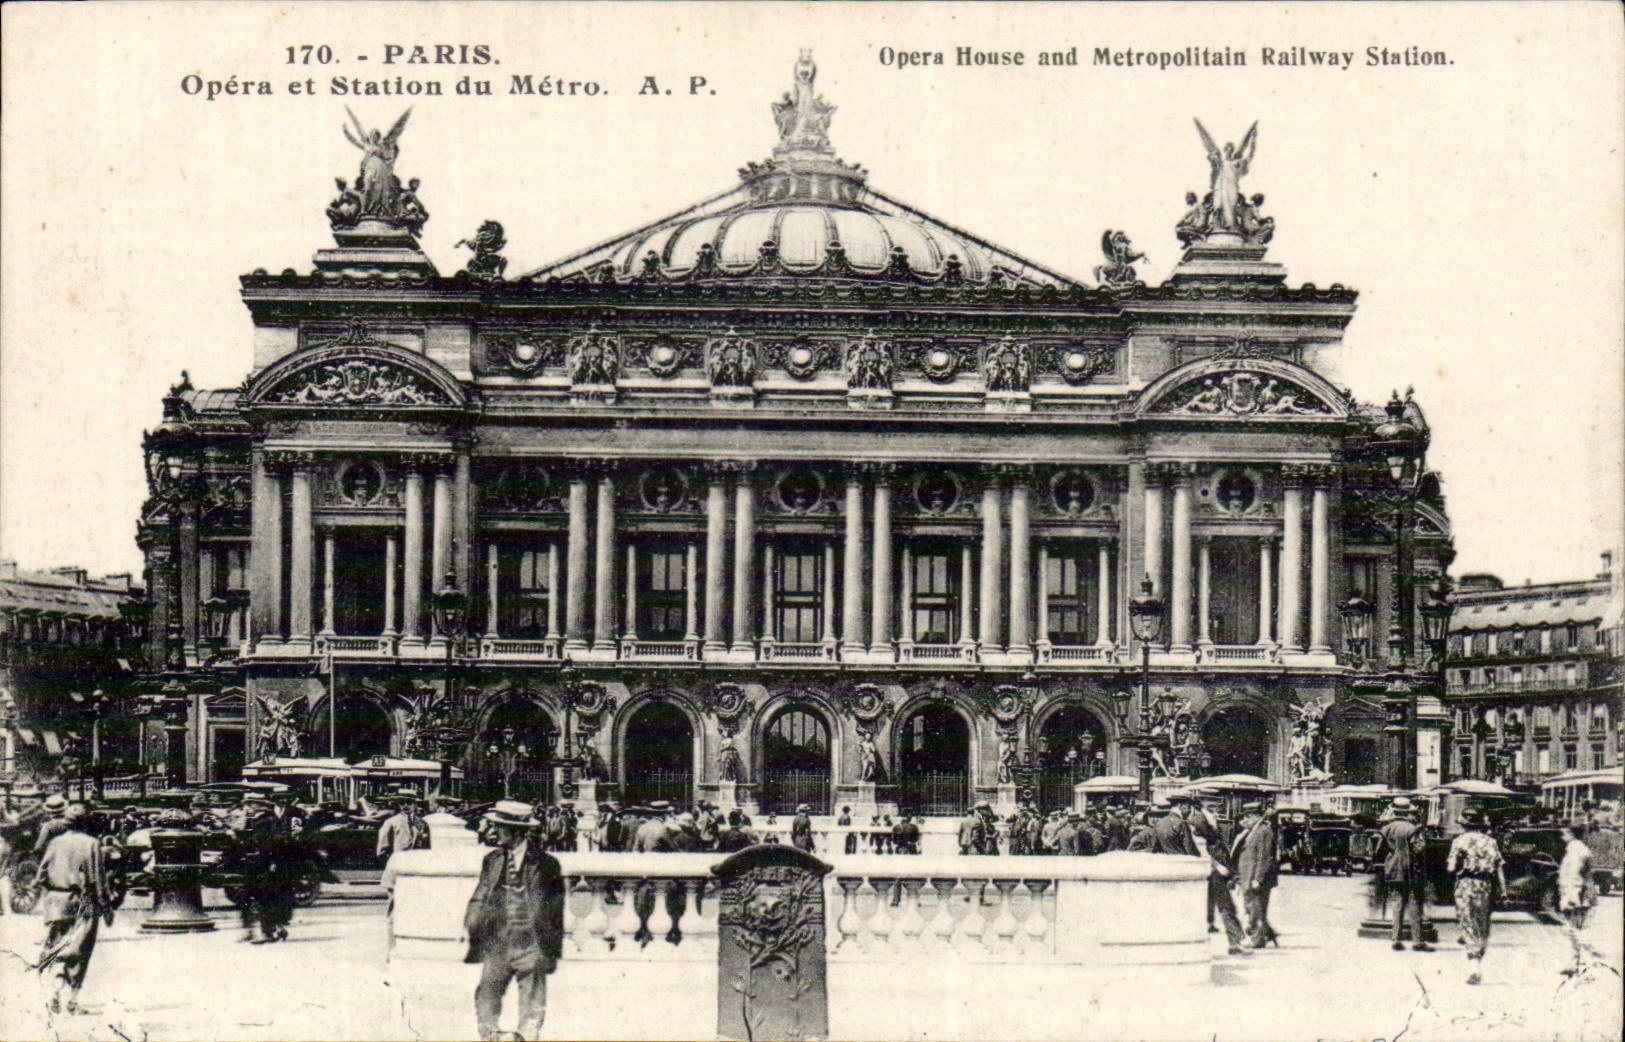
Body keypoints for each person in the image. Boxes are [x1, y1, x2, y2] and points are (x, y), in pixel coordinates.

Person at [464, 800, 565, 1041]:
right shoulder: (492, 860)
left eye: (499, 827)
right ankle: (490, 1036)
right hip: (497, 939)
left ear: (517, 830)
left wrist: (551, 949)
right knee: (487, 994)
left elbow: (555, 909)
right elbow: (481, 893)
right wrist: (472, 922)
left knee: (532, 999)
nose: (494, 832)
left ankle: (527, 1037)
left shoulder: (546, 863)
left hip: (531, 941)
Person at [34, 803, 112, 1015]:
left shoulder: (55, 842)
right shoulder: (91, 844)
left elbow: (40, 875)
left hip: (56, 903)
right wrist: (106, 907)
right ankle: (72, 1001)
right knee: (79, 951)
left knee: (58, 947)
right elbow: (98, 879)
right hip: (82, 902)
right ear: (86, 822)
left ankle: (54, 995)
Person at [1446, 810, 1505, 985]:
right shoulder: (1491, 842)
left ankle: (1474, 968)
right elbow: (1499, 868)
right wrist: (1504, 891)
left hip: (1465, 885)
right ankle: (1478, 958)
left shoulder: (1459, 841)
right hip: (1485, 886)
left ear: (1463, 824)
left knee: (1468, 924)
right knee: (1482, 925)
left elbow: (1451, 868)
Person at [1191, 798, 1250, 957]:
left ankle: (1236, 942)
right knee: (1226, 907)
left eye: (1217, 801)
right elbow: (1199, 849)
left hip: (1216, 870)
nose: (1217, 804)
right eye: (1213, 801)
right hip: (1213, 871)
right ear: (1203, 802)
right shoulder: (1198, 820)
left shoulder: (1209, 818)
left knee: (1223, 907)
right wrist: (1217, 866)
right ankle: (1238, 941)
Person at [1376, 796, 1431, 952]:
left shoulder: (1387, 828)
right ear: (1408, 812)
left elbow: (1377, 848)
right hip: (1411, 870)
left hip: (1393, 869)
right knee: (1415, 905)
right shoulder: (1411, 828)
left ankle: (1395, 939)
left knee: (1397, 904)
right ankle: (1417, 941)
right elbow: (1419, 848)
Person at [1233, 802, 1279, 949]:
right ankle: (1267, 933)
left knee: (1255, 908)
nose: (1247, 819)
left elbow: (1263, 857)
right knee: (1253, 907)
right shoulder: (1252, 831)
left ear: (1257, 816)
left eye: (1249, 816)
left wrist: (1257, 879)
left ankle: (1258, 939)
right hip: (1248, 876)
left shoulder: (1263, 831)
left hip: (1256, 878)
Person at [1556, 823, 1600, 976]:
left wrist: (1571, 897)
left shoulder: (1576, 851)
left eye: (1564, 834)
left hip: (1578, 894)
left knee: (1574, 929)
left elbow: (1574, 875)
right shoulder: (1577, 849)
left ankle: (1591, 953)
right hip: (1580, 893)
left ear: (1571, 834)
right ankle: (1574, 963)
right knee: (1572, 929)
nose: (1562, 837)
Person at [377, 795, 430, 861]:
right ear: (399, 805)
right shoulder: (391, 822)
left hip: (416, 860)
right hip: (398, 860)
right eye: (402, 803)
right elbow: (384, 843)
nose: (405, 805)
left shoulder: (422, 823)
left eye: (409, 803)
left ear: (415, 805)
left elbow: (426, 844)